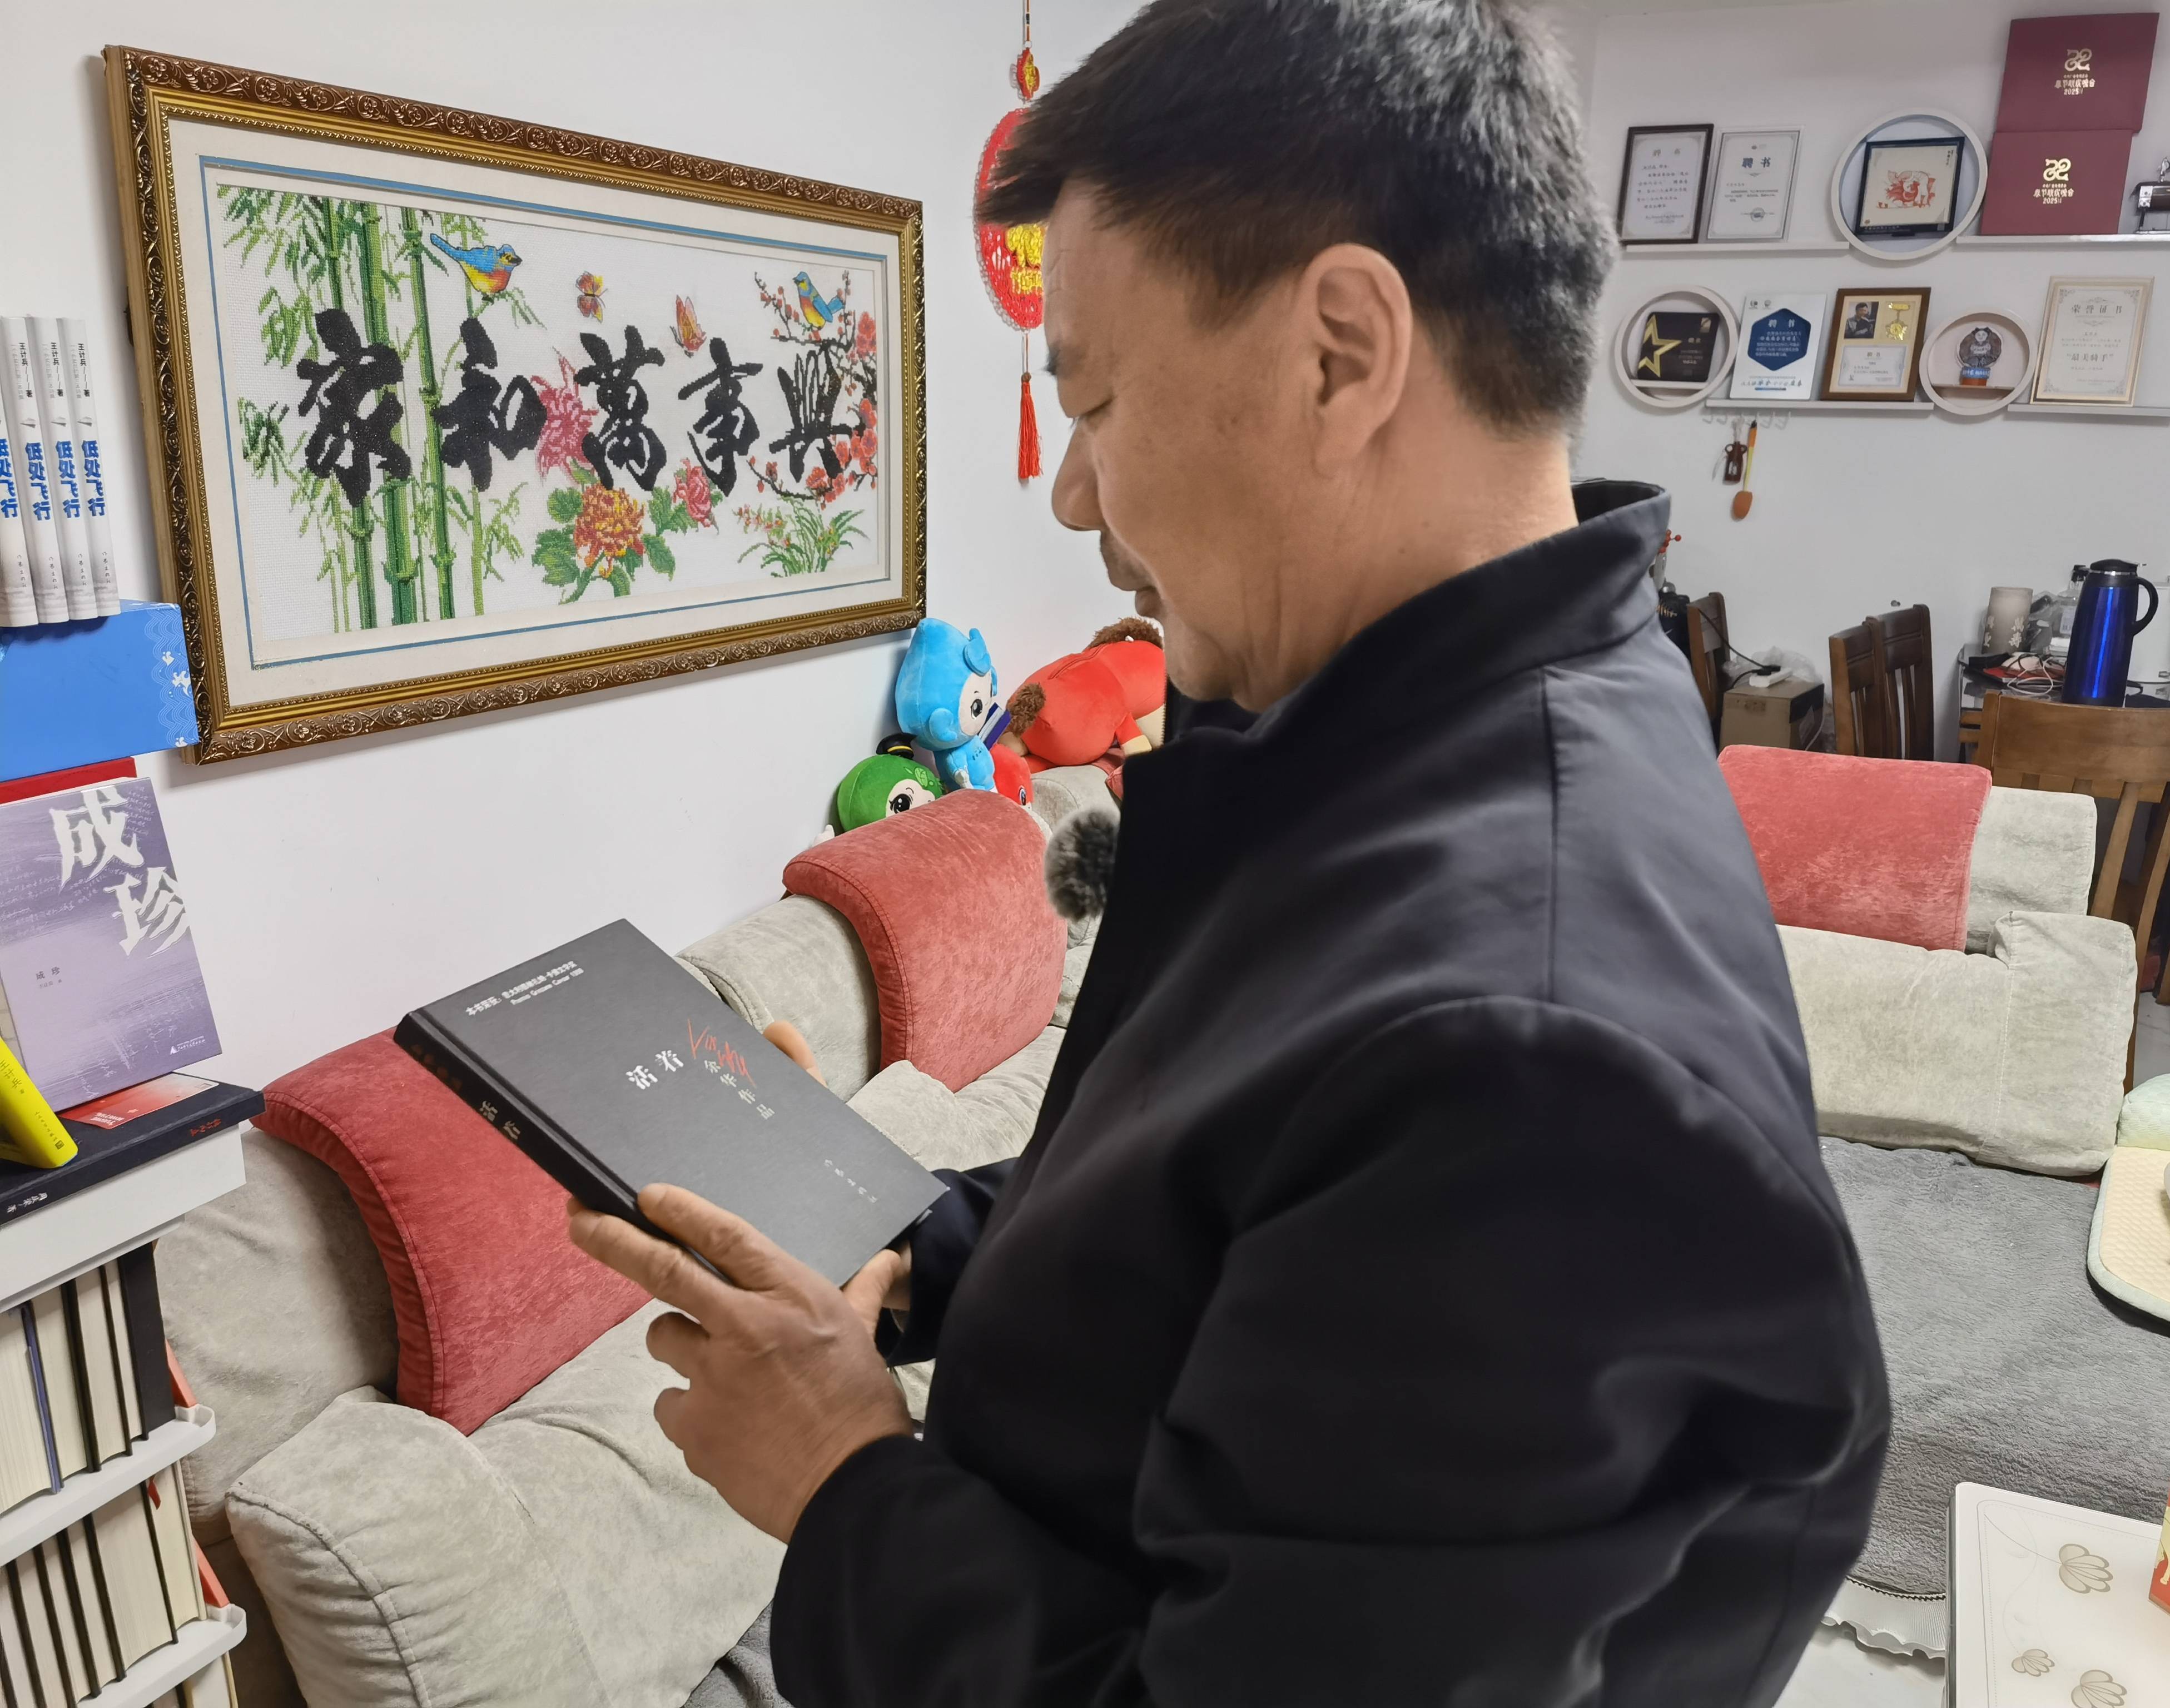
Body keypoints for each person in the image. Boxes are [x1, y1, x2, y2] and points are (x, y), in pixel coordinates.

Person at [570, 2, 1889, 1704]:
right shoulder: (1392, 737)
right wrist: (904, 1240)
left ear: (1341, 354)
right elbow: (1228, 1186)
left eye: (1095, 399)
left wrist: (839, 1478)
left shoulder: (1530, 1063)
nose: (1073, 498)